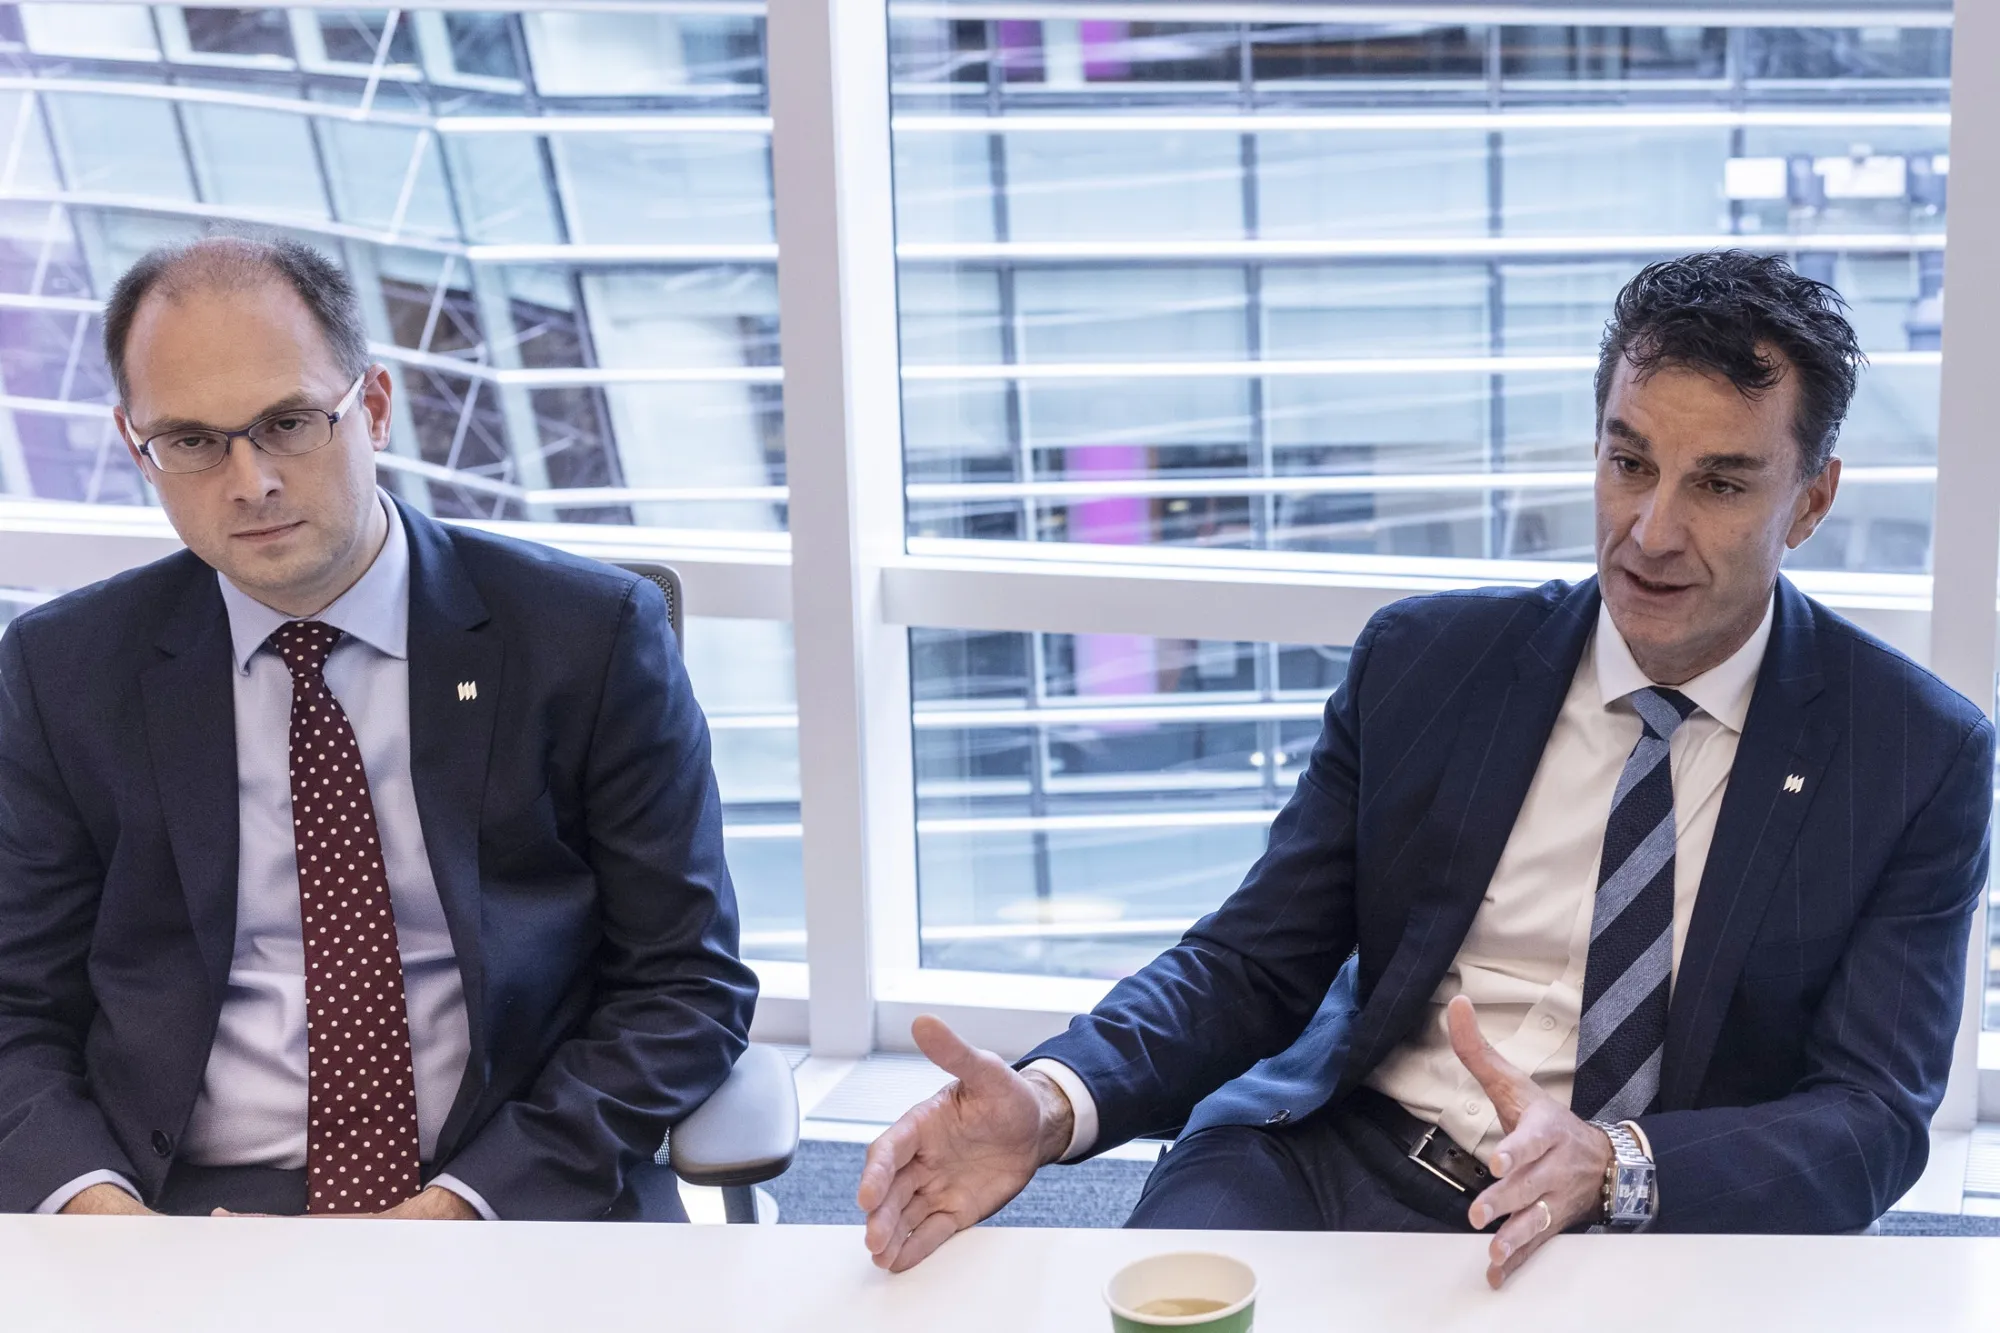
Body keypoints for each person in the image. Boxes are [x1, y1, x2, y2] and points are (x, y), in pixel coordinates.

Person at [858, 251, 1992, 1285]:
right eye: (1628, 462)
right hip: (1325, 1156)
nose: (1650, 530)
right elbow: (1251, 960)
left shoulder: (1912, 753)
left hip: (1639, 1221)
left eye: (1720, 484)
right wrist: (1052, 1101)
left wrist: (1613, 1164)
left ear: (1811, 500)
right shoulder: (1428, 662)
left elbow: (1871, 1114)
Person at [0, 234, 756, 1221]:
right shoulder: (64, 669)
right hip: (175, 1206)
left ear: (377, 407)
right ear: (135, 444)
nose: (249, 481)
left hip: (509, 1184)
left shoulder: (585, 638)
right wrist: (107, 1218)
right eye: (191, 441)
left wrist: (460, 1209)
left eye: (287, 423)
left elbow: (684, 985)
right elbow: (14, 1002)